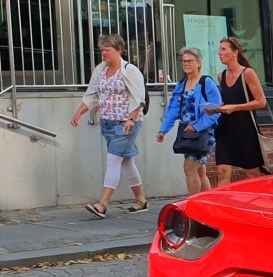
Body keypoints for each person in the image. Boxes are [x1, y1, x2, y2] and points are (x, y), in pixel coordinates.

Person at [70, 33, 148, 217]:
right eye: (101, 50)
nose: (104, 53)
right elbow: (93, 94)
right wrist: (80, 112)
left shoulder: (130, 70)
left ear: (118, 50)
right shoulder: (100, 70)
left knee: (113, 160)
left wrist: (131, 118)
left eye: (107, 50)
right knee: (127, 162)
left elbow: (139, 98)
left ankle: (103, 203)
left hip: (126, 123)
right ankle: (141, 200)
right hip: (107, 122)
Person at [156, 47, 221, 196]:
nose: (186, 64)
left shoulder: (206, 83)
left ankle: (192, 206)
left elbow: (217, 109)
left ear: (198, 63)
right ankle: (208, 204)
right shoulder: (182, 84)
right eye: (183, 61)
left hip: (205, 133)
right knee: (199, 171)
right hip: (188, 133)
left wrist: (197, 126)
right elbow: (173, 109)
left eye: (190, 61)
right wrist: (163, 130)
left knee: (189, 168)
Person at [213, 36, 267, 186]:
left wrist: (235, 107)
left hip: (246, 129)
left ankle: (254, 206)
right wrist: (216, 108)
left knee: (252, 174)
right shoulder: (221, 76)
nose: (219, 53)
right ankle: (222, 207)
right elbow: (227, 101)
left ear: (235, 52)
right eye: (219, 49)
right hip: (225, 130)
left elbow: (261, 102)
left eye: (223, 49)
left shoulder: (247, 73)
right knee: (222, 171)